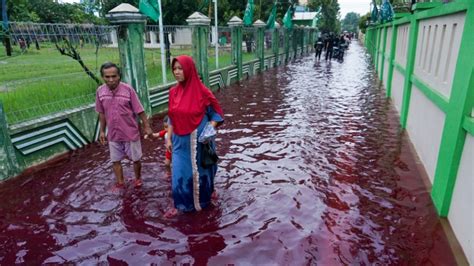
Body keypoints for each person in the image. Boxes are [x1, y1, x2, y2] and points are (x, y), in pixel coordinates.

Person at [165, 55, 224, 218]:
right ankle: (181, 205)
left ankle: (203, 203)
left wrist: (209, 129)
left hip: (199, 143)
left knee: (201, 174)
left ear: (189, 70)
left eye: (180, 68)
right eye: (174, 69)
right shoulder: (173, 92)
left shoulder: (203, 92)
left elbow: (217, 114)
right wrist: (168, 138)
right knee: (179, 174)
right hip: (179, 143)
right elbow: (171, 116)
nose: (176, 72)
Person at [95, 62, 153, 190]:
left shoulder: (128, 90)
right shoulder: (100, 91)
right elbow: (101, 113)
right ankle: (120, 182)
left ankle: (137, 179)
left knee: (136, 159)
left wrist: (147, 126)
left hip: (130, 132)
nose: (111, 80)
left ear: (119, 76)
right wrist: (102, 131)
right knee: (115, 160)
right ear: (103, 77)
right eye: (107, 77)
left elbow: (140, 110)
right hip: (113, 134)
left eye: (114, 76)